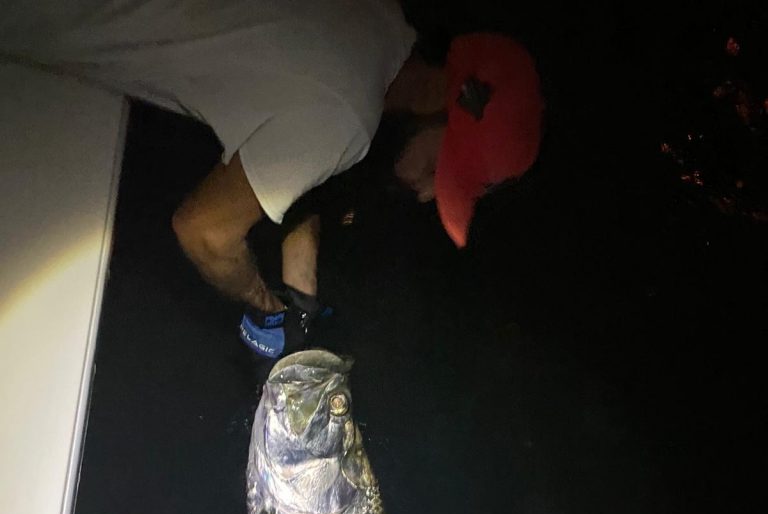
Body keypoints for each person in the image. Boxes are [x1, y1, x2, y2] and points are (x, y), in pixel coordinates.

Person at [1, 0, 544, 355]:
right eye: (436, 171)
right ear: (434, 98)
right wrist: (262, 303)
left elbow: (307, 162)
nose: (425, 194)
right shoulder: (347, 117)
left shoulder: (376, 19)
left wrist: (301, 298)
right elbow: (204, 231)